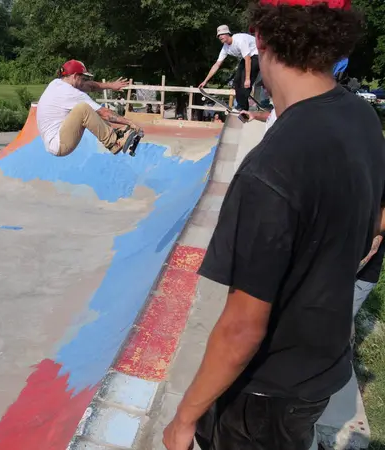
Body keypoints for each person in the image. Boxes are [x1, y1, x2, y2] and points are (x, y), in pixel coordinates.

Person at [163, 1, 385, 450]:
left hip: (265, 395)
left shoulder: (271, 168)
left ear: (260, 39)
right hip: (324, 368)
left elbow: (243, 326)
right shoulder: (361, 116)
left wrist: (184, 418)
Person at [36, 60, 143, 157]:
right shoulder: (71, 93)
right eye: (83, 78)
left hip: (55, 139)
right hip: (60, 144)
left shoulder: (57, 83)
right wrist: (129, 123)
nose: (84, 82)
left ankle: (115, 134)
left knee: (87, 108)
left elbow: (90, 86)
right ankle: (113, 142)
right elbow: (105, 113)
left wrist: (111, 85)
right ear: (75, 76)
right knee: (84, 108)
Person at [199, 25, 260, 112]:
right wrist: (205, 81)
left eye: (222, 34)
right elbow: (217, 64)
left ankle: (242, 107)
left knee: (244, 81)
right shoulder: (225, 48)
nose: (220, 37)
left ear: (228, 34)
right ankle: (243, 106)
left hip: (258, 55)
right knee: (236, 82)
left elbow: (248, 59)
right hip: (248, 57)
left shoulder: (239, 40)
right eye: (218, 36)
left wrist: (247, 79)